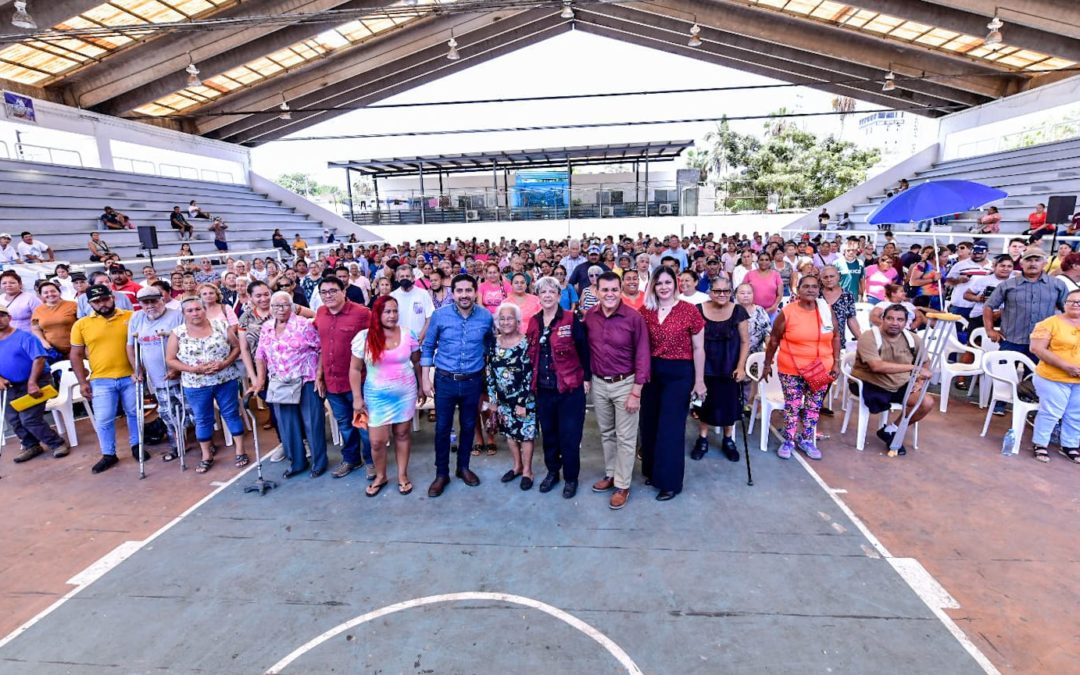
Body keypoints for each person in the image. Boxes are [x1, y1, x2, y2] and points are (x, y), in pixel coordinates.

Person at [420, 273, 494, 498]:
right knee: (442, 428)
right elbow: (428, 346)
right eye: (459, 290)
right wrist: (425, 378)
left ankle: (463, 467)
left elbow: (490, 346)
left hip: (472, 381)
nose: (464, 295)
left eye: (468, 290)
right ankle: (441, 473)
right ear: (453, 292)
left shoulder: (485, 317)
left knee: (469, 425)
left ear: (475, 292)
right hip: (445, 381)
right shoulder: (440, 316)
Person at [583, 272, 650, 510]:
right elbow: (584, 349)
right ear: (597, 292)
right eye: (605, 290)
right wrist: (586, 377)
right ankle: (611, 474)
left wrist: (636, 392)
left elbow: (643, 355)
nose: (610, 294)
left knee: (626, 437)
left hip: (626, 384)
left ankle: (623, 484)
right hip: (600, 383)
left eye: (614, 289)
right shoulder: (590, 316)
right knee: (607, 433)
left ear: (620, 290)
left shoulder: (634, 318)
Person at [637, 267, 705, 502]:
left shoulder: (689, 311)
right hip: (652, 373)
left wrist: (699, 380)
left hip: (679, 374)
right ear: (653, 286)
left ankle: (670, 482)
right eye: (659, 283)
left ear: (676, 284)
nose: (664, 287)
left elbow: (698, 348)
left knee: (671, 428)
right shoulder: (646, 311)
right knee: (650, 425)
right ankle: (654, 473)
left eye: (668, 282)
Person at [762, 275, 841, 461]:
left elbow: (836, 336)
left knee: (813, 406)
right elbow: (774, 340)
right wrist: (767, 364)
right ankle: (788, 440)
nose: (811, 290)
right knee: (793, 405)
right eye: (806, 286)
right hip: (792, 368)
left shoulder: (826, 310)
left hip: (821, 368)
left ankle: (806, 440)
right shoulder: (788, 312)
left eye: (814, 286)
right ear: (798, 289)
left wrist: (837, 362)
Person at [249, 291, 326, 479]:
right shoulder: (267, 327)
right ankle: (297, 462)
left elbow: (321, 349)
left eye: (284, 305)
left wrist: (319, 375)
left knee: (312, 423)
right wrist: (260, 380)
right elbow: (261, 355)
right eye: (276, 306)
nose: (280, 309)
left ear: (291, 307)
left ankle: (319, 463)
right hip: (280, 382)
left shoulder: (304, 324)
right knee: (287, 425)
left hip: (305, 379)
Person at [350, 295, 421, 496]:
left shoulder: (409, 335)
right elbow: (355, 370)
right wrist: (357, 398)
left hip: (405, 394)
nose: (392, 315)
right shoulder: (364, 337)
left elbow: (416, 362)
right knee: (377, 441)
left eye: (395, 311)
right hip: (376, 398)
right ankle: (381, 476)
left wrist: (422, 386)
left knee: (402, 434)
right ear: (377, 314)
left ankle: (402, 475)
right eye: (387, 311)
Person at [165, 298, 247, 473]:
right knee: (202, 418)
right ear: (184, 314)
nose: (195, 313)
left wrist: (224, 364)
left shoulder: (219, 325)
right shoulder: (178, 333)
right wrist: (194, 369)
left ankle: (240, 450)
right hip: (196, 383)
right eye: (190, 310)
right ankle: (206, 455)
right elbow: (170, 359)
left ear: (204, 310)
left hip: (225, 379)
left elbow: (236, 347)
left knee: (231, 413)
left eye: (198, 309)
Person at [528, 276, 590, 499]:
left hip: (570, 389)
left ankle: (571, 478)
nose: (547, 295)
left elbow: (584, 350)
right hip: (544, 390)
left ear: (558, 295)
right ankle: (553, 472)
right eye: (542, 292)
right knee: (550, 435)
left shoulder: (571, 319)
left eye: (551, 291)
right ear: (538, 296)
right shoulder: (534, 321)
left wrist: (587, 379)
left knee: (570, 436)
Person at [70, 285, 142, 474]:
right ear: (90, 303)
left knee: (135, 413)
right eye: (96, 301)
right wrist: (83, 382)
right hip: (100, 379)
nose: (102, 304)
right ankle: (108, 454)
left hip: (130, 376)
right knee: (103, 419)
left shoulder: (131, 316)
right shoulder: (81, 324)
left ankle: (137, 446)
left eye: (105, 299)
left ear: (113, 298)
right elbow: (76, 355)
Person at [850, 304, 935, 455]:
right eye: (890, 318)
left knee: (926, 403)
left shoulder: (913, 338)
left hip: (899, 382)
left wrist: (919, 382)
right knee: (876, 395)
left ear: (906, 322)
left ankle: (891, 430)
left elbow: (925, 364)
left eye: (900, 319)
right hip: (870, 382)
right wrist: (912, 368)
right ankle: (891, 433)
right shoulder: (869, 337)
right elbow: (876, 367)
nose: (895, 323)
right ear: (882, 319)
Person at [313, 276, 373, 480]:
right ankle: (352, 459)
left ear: (343, 291)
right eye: (323, 292)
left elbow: (378, 338)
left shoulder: (362, 313)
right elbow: (322, 346)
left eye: (332, 291)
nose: (328, 295)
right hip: (332, 383)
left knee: (363, 425)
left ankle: (372, 461)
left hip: (359, 382)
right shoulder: (320, 314)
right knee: (345, 425)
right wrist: (320, 374)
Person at [0, 304, 69, 463]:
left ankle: (57, 443)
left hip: (36, 380)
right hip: (9, 385)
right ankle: (31, 445)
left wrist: (32, 382)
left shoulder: (25, 337)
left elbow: (39, 359)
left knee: (29, 419)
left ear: (9, 318)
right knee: (14, 420)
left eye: (2, 315)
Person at [692, 276, 749, 462]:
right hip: (704, 366)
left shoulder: (738, 311)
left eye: (726, 291)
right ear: (710, 292)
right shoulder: (699, 310)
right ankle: (702, 439)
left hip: (729, 366)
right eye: (717, 291)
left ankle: (728, 440)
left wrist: (741, 367)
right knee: (705, 404)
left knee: (729, 404)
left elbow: (745, 341)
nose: (722, 294)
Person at [127, 286, 185, 462]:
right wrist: (136, 369)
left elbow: (186, 342)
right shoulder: (136, 318)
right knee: (168, 414)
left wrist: (177, 367)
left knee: (191, 413)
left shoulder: (176, 315)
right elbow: (131, 345)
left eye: (154, 301)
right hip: (157, 378)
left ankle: (205, 443)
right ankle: (177, 446)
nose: (150, 305)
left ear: (162, 299)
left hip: (181, 375)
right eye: (145, 302)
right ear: (140, 304)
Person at [983, 246, 1068, 364]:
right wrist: (989, 330)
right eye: (1028, 260)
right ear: (1021, 264)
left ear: (1044, 263)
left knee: (1036, 379)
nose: (1032, 263)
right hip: (1011, 340)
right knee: (1003, 378)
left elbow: (1068, 310)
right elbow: (988, 306)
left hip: (1043, 342)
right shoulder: (1008, 285)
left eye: (1037, 260)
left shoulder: (1057, 285)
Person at [485, 302, 538, 490]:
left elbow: (530, 373)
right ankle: (517, 466)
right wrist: (493, 401)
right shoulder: (493, 342)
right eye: (502, 318)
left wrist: (523, 402)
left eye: (510, 318)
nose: (506, 322)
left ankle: (527, 471)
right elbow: (490, 371)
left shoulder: (526, 343)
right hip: (503, 399)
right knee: (509, 434)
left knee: (525, 435)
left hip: (524, 399)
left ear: (517, 322)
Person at [1028, 289, 1080, 464]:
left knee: (1076, 414)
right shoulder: (1049, 323)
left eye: (1079, 302)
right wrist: (1066, 366)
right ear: (1064, 304)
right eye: (1071, 301)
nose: (1075, 305)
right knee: (1051, 412)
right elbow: (1036, 348)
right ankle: (1040, 443)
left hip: (1078, 381)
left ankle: (1069, 445)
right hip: (1052, 376)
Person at [30, 281, 76, 359]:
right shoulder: (37, 310)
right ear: (41, 295)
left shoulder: (73, 305)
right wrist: (43, 341)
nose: (50, 294)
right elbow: (35, 328)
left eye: (53, 291)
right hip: (53, 352)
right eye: (45, 292)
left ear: (59, 292)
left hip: (75, 349)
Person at [390, 264, 434, 343]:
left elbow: (429, 317)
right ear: (397, 279)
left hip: (420, 341)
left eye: (407, 276)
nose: (405, 278)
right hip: (399, 341)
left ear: (413, 277)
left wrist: (421, 336)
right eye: (402, 276)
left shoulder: (423, 294)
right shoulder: (392, 296)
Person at [819, 266, 861, 343]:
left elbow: (851, 319)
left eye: (832, 276)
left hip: (839, 342)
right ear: (821, 279)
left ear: (838, 276)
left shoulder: (847, 295)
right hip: (819, 341)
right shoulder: (817, 295)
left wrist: (861, 340)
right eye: (825, 277)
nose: (829, 279)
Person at [745, 251, 783, 317]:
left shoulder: (776, 274)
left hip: (771, 311)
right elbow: (743, 291)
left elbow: (780, 294)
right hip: (753, 311)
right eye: (761, 260)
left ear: (770, 262)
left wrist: (774, 306)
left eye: (766, 260)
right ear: (757, 261)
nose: (764, 262)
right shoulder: (749, 274)